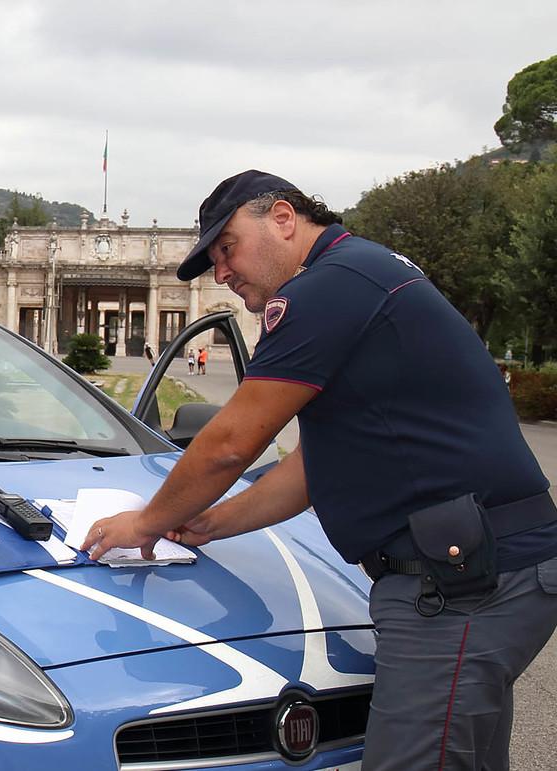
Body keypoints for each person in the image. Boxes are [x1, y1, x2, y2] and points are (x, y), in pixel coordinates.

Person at [81, 170, 557, 771]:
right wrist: (209, 524)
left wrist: (146, 522)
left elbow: (232, 441)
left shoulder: (327, 289)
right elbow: (313, 468)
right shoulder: (360, 274)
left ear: (283, 218)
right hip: (490, 568)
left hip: (464, 583)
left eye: (227, 249)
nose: (222, 273)